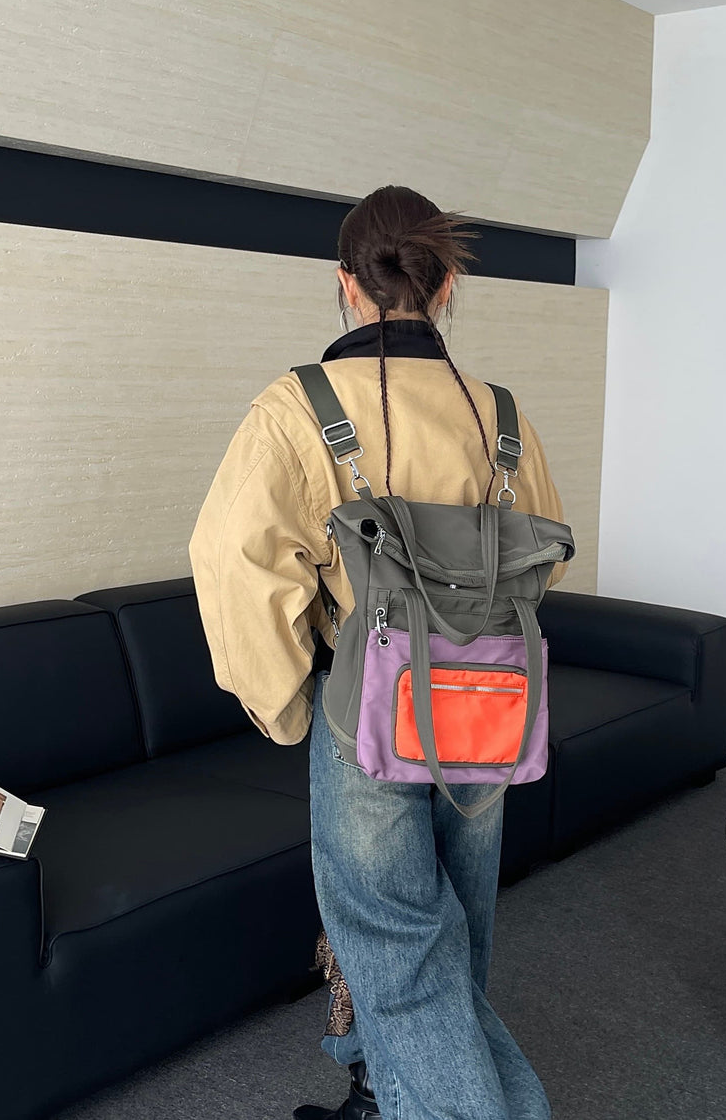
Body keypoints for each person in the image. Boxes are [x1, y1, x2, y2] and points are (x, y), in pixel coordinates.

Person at [188, 185, 567, 1120]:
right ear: (446, 289)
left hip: (364, 705)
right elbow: (542, 559)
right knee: (455, 926)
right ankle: (385, 1094)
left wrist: (286, 700)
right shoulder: (502, 415)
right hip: (488, 701)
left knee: (394, 942)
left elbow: (233, 563)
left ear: (346, 285)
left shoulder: (300, 407)